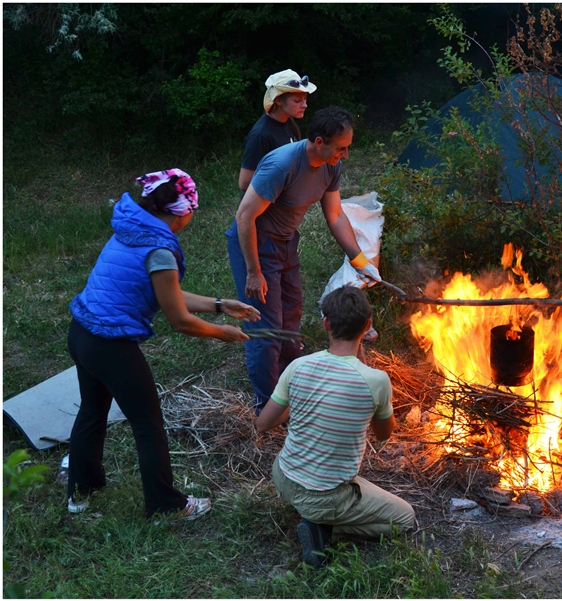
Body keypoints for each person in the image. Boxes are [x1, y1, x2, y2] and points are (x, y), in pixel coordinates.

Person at [66, 169, 261, 520]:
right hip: (111, 344)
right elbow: (180, 320)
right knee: (148, 423)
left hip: (82, 332)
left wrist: (220, 305)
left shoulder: (135, 228)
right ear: (183, 210)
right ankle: (166, 505)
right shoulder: (159, 248)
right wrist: (222, 333)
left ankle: (81, 493)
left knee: (93, 411)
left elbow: (166, 292)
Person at [226, 106, 381, 415]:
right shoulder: (283, 165)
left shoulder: (329, 165)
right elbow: (244, 216)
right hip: (257, 243)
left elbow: (335, 216)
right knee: (266, 326)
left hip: (286, 242)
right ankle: (267, 406)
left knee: (291, 315)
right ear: (320, 141)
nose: (346, 155)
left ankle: (287, 389)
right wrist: (254, 272)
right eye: (341, 148)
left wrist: (360, 260)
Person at [256, 285, 416, 567]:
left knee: (356, 485)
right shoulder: (376, 381)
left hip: (284, 477)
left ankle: (314, 516)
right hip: (327, 498)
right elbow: (383, 435)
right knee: (405, 517)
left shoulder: (298, 366)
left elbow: (263, 423)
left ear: (325, 323)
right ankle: (326, 529)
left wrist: (301, 401)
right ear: (367, 326)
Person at [238, 69, 317, 193]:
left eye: (304, 99)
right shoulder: (261, 134)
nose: (304, 105)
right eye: (297, 100)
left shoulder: (288, 122)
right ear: (278, 100)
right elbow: (244, 183)